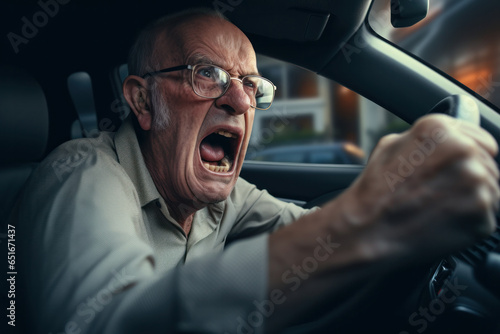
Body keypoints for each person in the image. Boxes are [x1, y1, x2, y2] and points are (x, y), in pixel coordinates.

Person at [13, 7, 499, 334]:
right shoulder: (81, 174)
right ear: (143, 100)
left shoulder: (221, 195)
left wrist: (405, 207)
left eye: (252, 85)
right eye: (209, 75)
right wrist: (371, 221)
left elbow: (313, 237)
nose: (241, 100)